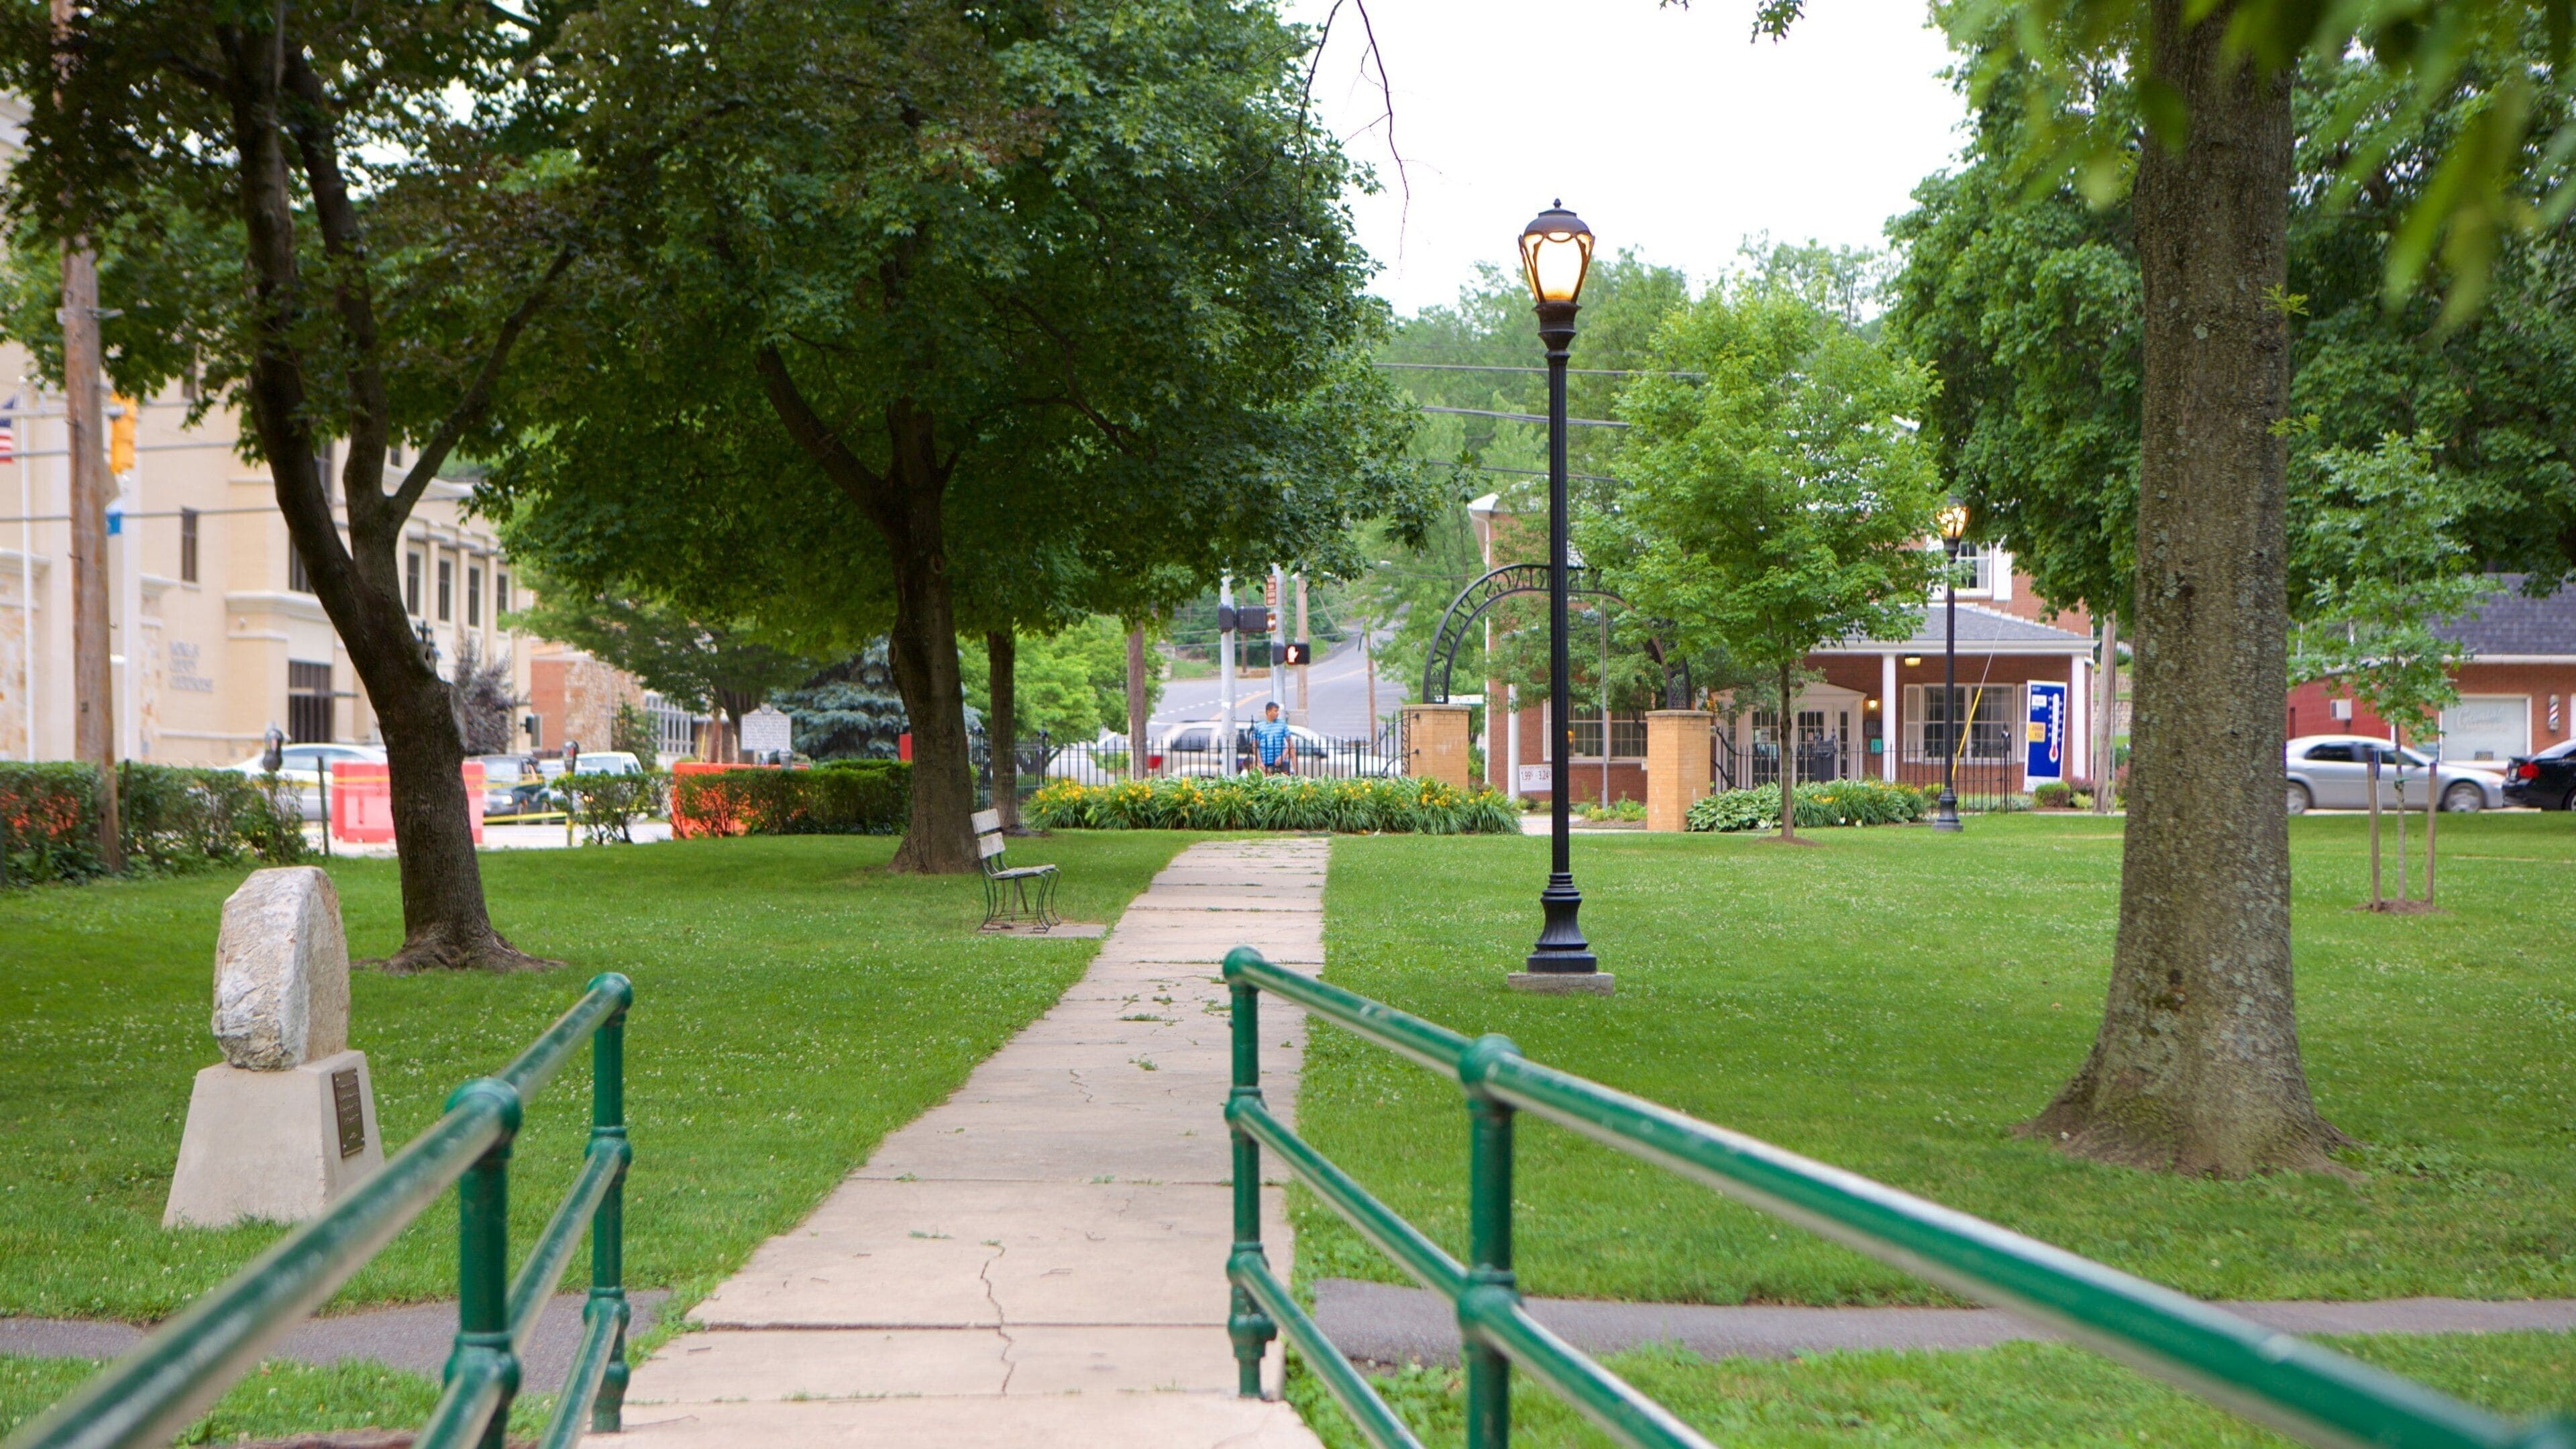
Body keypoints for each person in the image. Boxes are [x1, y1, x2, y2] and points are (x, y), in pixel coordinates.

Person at [1250, 701, 1297, 775]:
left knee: (1284, 783)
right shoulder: (1259, 726)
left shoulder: (1282, 724)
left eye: (1278, 711)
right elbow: (1255, 746)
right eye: (1275, 711)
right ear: (1268, 712)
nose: (1278, 713)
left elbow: (1290, 743)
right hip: (1266, 762)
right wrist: (1260, 762)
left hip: (1281, 762)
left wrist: (1283, 756)